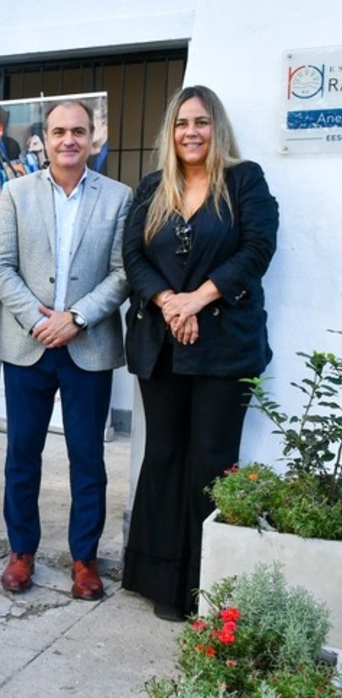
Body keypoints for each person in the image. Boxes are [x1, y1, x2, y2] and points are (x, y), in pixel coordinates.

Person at [121, 85, 279, 621]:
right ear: (171, 132)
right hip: (162, 345)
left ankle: (204, 584)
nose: (192, 132)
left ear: (218, 129)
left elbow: (257, 249)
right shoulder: (151, 188)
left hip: (225, 348)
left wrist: (197, 299)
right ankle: (160, 580)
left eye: (202, 122)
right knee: (163, 456)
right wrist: (169, 303)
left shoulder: (244, 181)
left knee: (212, 461)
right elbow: (133, 257)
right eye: (183, 122)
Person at [0, 100, 132, 599]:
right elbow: (0, 266)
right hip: (27, 345)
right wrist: (37, 320)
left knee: (87, 458)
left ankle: (84, 559)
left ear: (94, 138)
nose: (68, 140)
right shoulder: (15, 193)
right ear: (43, 139)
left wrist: (77, 318)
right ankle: (21, 551)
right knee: (22, 454)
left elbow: (122, 271)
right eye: (58, 132)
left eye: (78, 131)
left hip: (87, 345)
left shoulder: (119, 197)